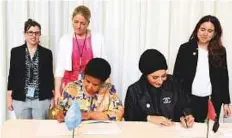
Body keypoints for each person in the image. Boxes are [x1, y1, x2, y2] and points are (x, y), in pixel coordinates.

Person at [173, 15, 231, 122]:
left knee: (209, 132)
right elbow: (177, 77)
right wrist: (178, 100)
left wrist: (226, 102)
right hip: (188, 99)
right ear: (197, 29)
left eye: (210, 31)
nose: (205, 33)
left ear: (215, 33)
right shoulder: (185, 48)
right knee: (187, 130)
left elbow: (223, 77)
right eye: (202, 29)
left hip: (211, 100)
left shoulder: (220, 51)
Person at [124, 49, 194, 128]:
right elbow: (129, 117)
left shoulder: (174, 83)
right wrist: (148, 118)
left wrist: (187, 115)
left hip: (172, 131)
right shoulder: (134, 90)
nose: (160, 81)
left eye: (163, 76)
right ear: (145, 75)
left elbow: (185, 105)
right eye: (155, 77)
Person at [54, 5, 106, 105]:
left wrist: (106, 90)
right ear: (72, 20)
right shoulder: (65, 40)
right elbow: (60, 68)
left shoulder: (98, 39)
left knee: (88, 116)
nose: (78, 26)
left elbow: (103, 66)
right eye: (76, 22)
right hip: (69, 87)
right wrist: (57, 91)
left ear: (88, 23)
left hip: (90, 87)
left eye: (82, 23)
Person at [7, 19, 54, 119]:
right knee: (23, 131)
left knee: (40, 131)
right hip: (20, 99)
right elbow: (12, 75)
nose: (34, 35)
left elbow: (50, 76)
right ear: (25, 34)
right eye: (30, 32)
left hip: (41, 99)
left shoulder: (47, 53)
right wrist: (9, 98)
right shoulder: (15, 52)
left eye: (37, 33)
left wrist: (52, 97)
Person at [54, 58, 124, 122]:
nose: (89, 87)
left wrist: (90, 115)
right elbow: (59, 110)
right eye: (87, 81)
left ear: (103, 83)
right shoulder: (72, 87)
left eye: (95, 85)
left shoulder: (109, 90)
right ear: (84, 75)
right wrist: (59, 114)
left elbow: (118, 114)